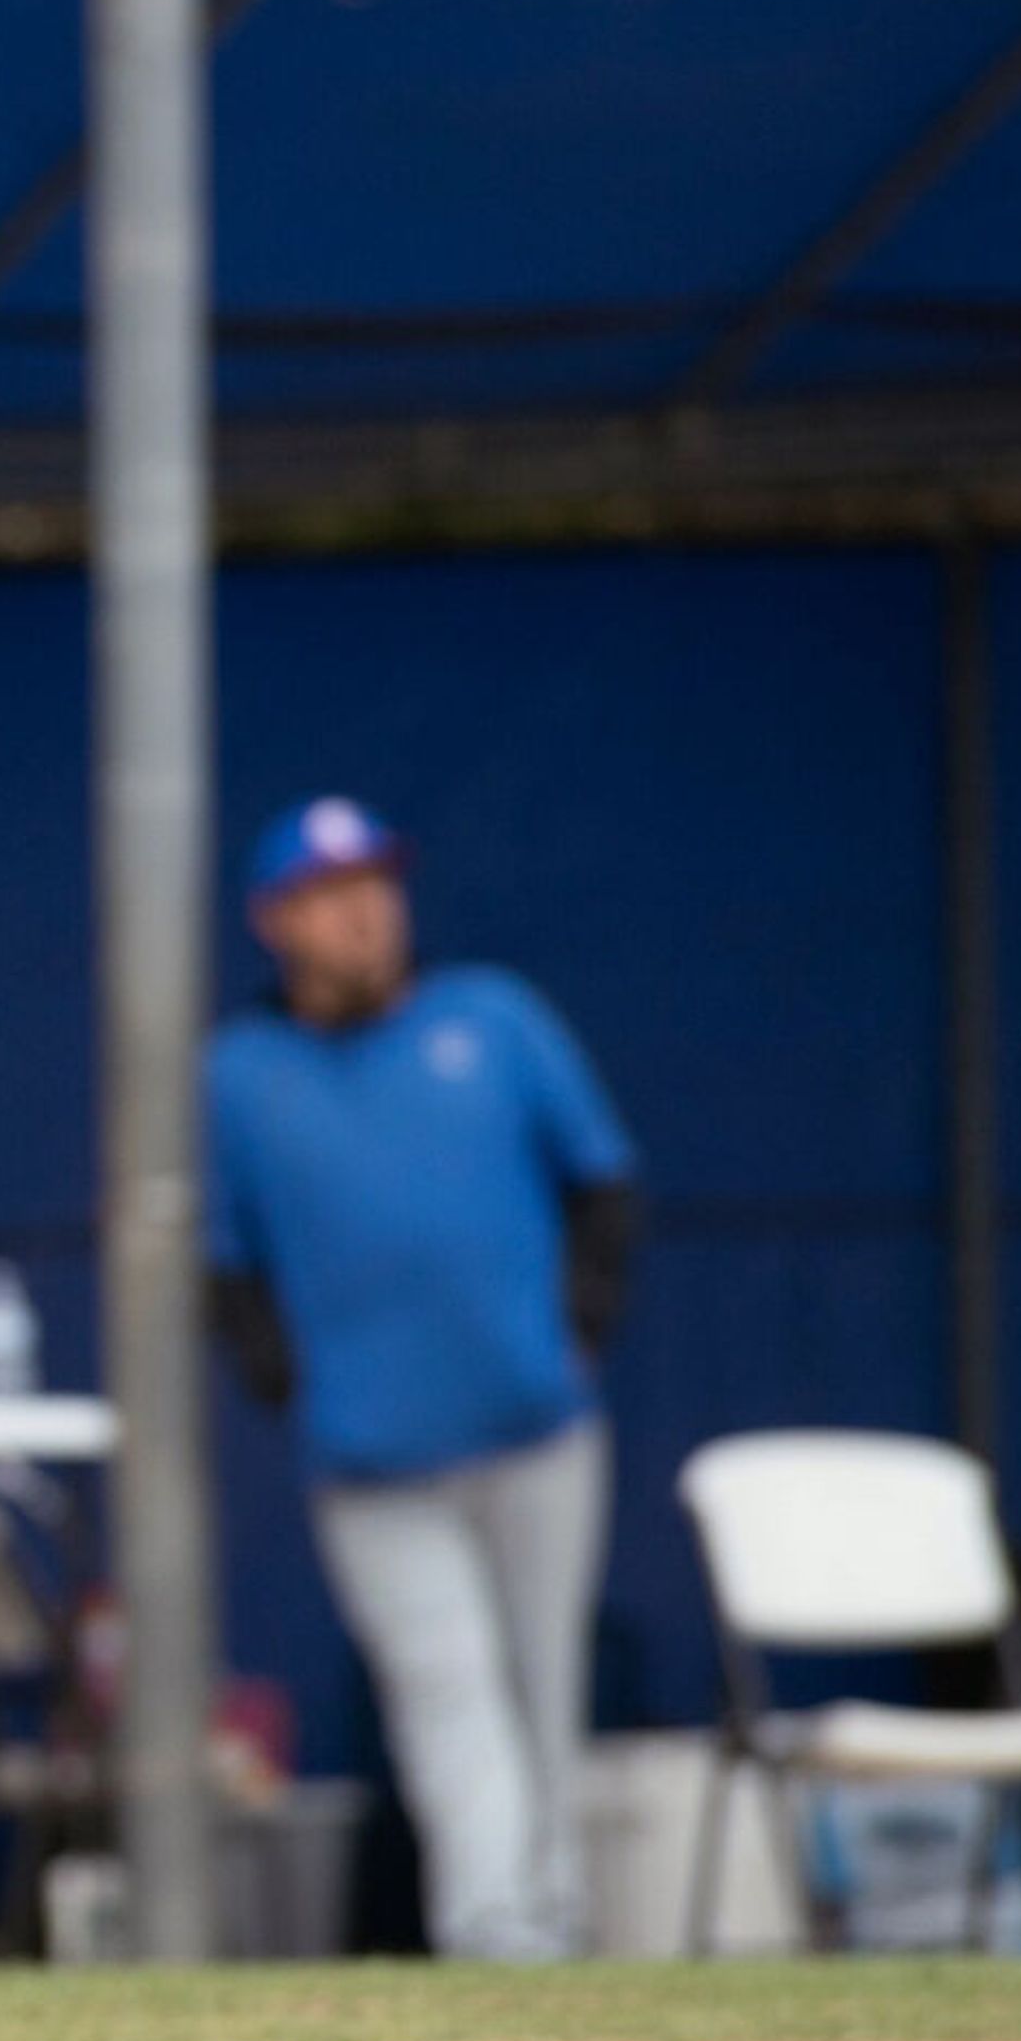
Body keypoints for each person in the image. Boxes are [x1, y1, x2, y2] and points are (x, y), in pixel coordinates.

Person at [203, 795, 640, 1962]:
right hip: (374, 1463)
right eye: (331, 895)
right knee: (446, 1697)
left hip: (538, 1431)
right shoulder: (242, 1073)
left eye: (376, 886)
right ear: (274, 920)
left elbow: (604, 1184)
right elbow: (219, 1261)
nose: (364, 915)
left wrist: (576, 1329)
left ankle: (559, 1920)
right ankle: (498, 1936)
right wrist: (288, 1376)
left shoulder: (491, 1018)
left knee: (547, 1687)